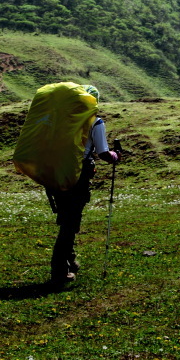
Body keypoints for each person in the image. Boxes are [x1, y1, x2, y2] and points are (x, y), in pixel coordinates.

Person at [46, 85, 118, 286]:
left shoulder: (62, 119)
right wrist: (115, 156)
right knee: (70, 224)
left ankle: (70, 261)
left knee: (66, 218)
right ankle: (59, 271)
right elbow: (103, 153)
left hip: (57, 171)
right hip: (79, 174)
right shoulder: (95, 122)